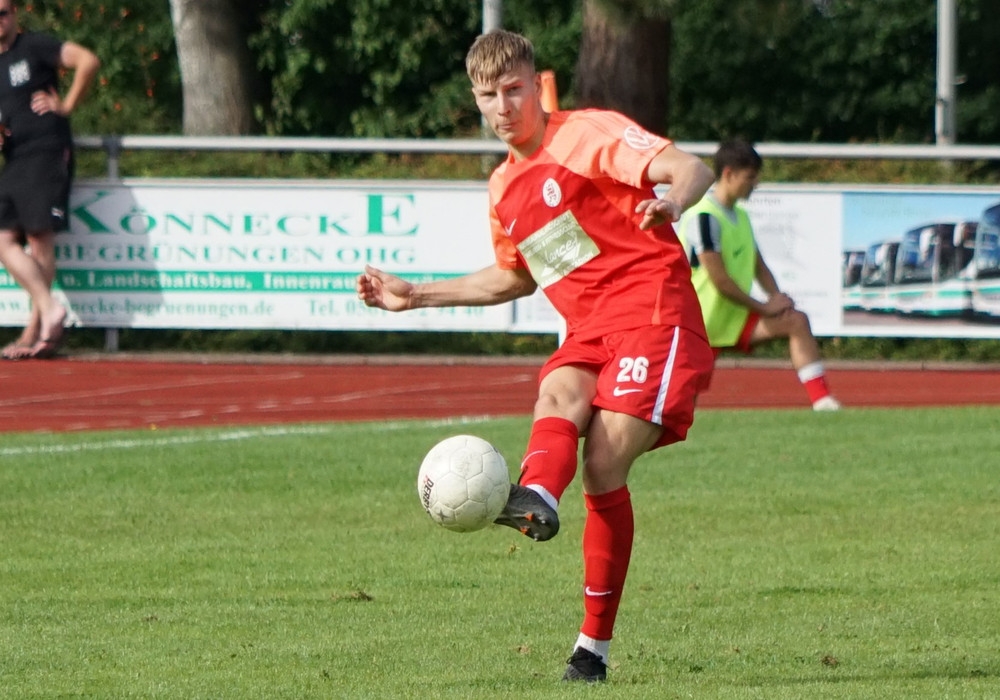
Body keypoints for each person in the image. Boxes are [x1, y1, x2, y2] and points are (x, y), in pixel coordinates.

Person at [356, 29, 715, 682]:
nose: (502, 107)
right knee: (556, 392)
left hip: (654, 314)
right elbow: (513, 277)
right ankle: (537, 496)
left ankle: (592, 649)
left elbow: (694, 167)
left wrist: (674, 200)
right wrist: (417, 296)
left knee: (603, 465)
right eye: (487, 96)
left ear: (536, 85)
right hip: (587, 329)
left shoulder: (585, 134)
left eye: (513, 90)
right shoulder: (503, 188)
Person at [678, 140, 841, 411]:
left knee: (796, 321)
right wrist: (764, 307)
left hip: (733, 318)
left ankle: (823, 402)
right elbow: (720, 280)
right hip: (699, 323)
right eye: (750, 177)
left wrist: (778, 299)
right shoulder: (704, 216)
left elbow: (759, 266)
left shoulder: (740, 215)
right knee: (682, 404)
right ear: (729, 174)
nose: (755, 184)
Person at [0, 0, 99, 360]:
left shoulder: (35, 46)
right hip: (15, 158)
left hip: (46, 151)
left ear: (15, 14)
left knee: (39, 240)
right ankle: (49, 310)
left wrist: (67, 105)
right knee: (3, 240)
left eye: (3, 12)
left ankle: (37, 332)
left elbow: (88, 60)